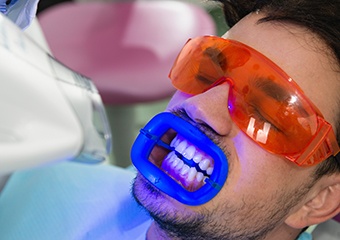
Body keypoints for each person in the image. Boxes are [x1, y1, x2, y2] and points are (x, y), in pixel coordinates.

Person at [131, 0, 340, 239]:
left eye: (267, 113)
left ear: (317, 200)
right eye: (207, 72)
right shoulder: (80, 188)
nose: (198, 106)